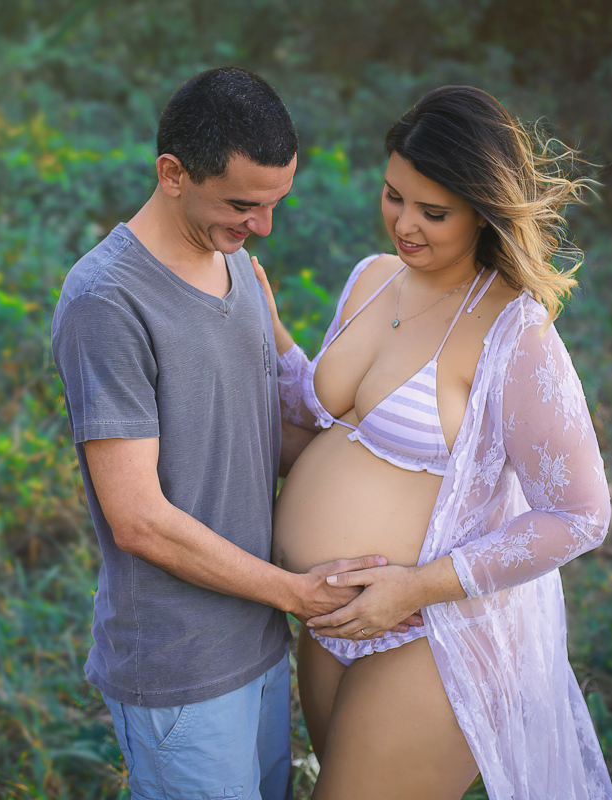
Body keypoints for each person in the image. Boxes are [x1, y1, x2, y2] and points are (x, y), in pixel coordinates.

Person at [255, 86, 612, 799]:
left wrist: (415, 589)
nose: (404, 225)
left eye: (433, 212)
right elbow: (333, 418)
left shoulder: (516, 336)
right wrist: (266, 328)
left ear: (483, 211)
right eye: (394, 197)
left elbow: (581, 515)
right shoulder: (373, 278)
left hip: (432, 635)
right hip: (331, 622)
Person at [51, 67, 393, 800]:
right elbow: (139, 519)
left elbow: (261, 432)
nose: (262, 226)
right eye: (243, 204)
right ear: (172, 174)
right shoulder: (106, 301)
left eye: (275, 204)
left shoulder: (238, 265)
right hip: (182, 668)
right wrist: (293, 594)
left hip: (261, 642)